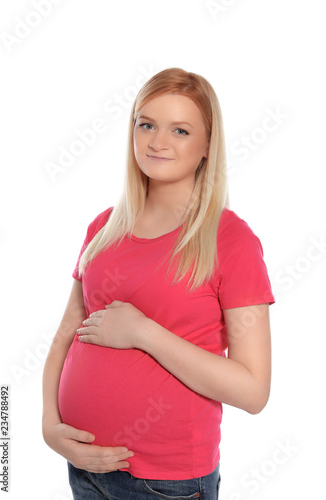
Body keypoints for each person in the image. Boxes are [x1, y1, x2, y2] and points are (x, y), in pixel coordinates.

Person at [42, 67, 275, 500]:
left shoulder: (229, 239)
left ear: (207, 145)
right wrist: (49, 426)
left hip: (165, 482)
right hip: (83, 467)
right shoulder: (103, 228)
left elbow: (253, 390)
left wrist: (143, 332)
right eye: (146, 124)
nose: (157, 142)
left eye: (180, 130)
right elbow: (65, 335)